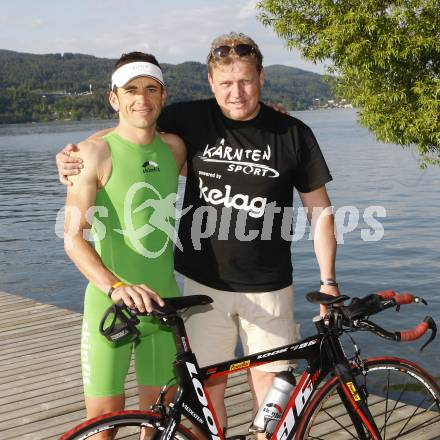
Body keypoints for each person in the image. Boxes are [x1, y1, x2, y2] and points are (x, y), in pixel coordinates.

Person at [57, 33, 339, 434]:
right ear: (211, 83)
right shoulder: (183, 124)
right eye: (226, 83)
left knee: (263, 397)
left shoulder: (283, 133)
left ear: (261, 77)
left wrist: (328, 280)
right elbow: (130, 130)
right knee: (155, 411)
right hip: (195, 288)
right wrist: (74, 154)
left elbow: (321, 212)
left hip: (258, 287)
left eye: (245, 81)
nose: (236, 92)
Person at [63, 51, 186, 433]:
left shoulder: (175, 149)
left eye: (151, 89)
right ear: (113, 98)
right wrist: (116, 287)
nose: (142, 99)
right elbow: (73, 238)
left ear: (163, 96)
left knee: (159, 425)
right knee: (104, 427)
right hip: (109, 307)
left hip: (162, 306)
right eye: (130, 90)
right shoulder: (94, 153)